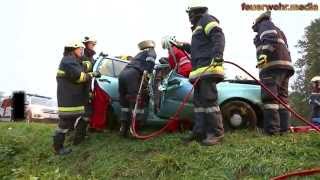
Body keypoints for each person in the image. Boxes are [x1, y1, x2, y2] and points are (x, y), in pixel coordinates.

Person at [179, 1, 225, 146]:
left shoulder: (207, 19)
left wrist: (217, 56)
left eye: (190, 14)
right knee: (199, 104)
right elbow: (198, 50)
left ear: (195, 12)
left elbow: (218, 36)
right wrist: (184, 46)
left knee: (209, 102)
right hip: (199, 71)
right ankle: (199, 132)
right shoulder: (197, 27)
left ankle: (216, 134)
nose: (189, 17)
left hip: (208, 69)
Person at [53, 40, 101, 155]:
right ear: (73, 49)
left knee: (68, 123)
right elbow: (80, 77)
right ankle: (58, 149)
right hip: (69, 99)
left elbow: (83, 66)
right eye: (80, 49)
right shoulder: (68, 61)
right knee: (63, 125)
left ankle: (70, 142)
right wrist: (92, 74)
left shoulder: (72, 60)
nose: (81, 51)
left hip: (72, 98)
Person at [252, 11, 295, 135]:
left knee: (270, 99)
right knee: (282, 100)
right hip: (285, 67)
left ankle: (272, 131)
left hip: (272, 66)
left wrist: (264, 55)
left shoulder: (265, 25)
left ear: (258, 21)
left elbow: (270, 38)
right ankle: (284, 130)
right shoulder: (278, 29)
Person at [118, 40, 156, 137]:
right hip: (132, 75)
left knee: (124, 103)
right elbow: (150, 64)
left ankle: (123, 129)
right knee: (136, 102)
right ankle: (135, 129)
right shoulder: (151, 51)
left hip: (122, 74)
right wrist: (148, 71)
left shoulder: (139, 54)